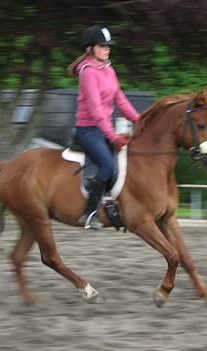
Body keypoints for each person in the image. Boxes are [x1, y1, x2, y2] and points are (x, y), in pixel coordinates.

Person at [68, 25, 140, 230]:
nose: (107, 49)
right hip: (88, 130)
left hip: (102, 129)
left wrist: (140, 120)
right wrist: (113, 136)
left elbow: (121, 99)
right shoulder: (88, 72)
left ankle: (111, 203)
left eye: (108, 46)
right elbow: (96, 110)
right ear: (90, 49)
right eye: (102, 46)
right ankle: (89, 212)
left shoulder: (108, 69)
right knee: (107, 165)